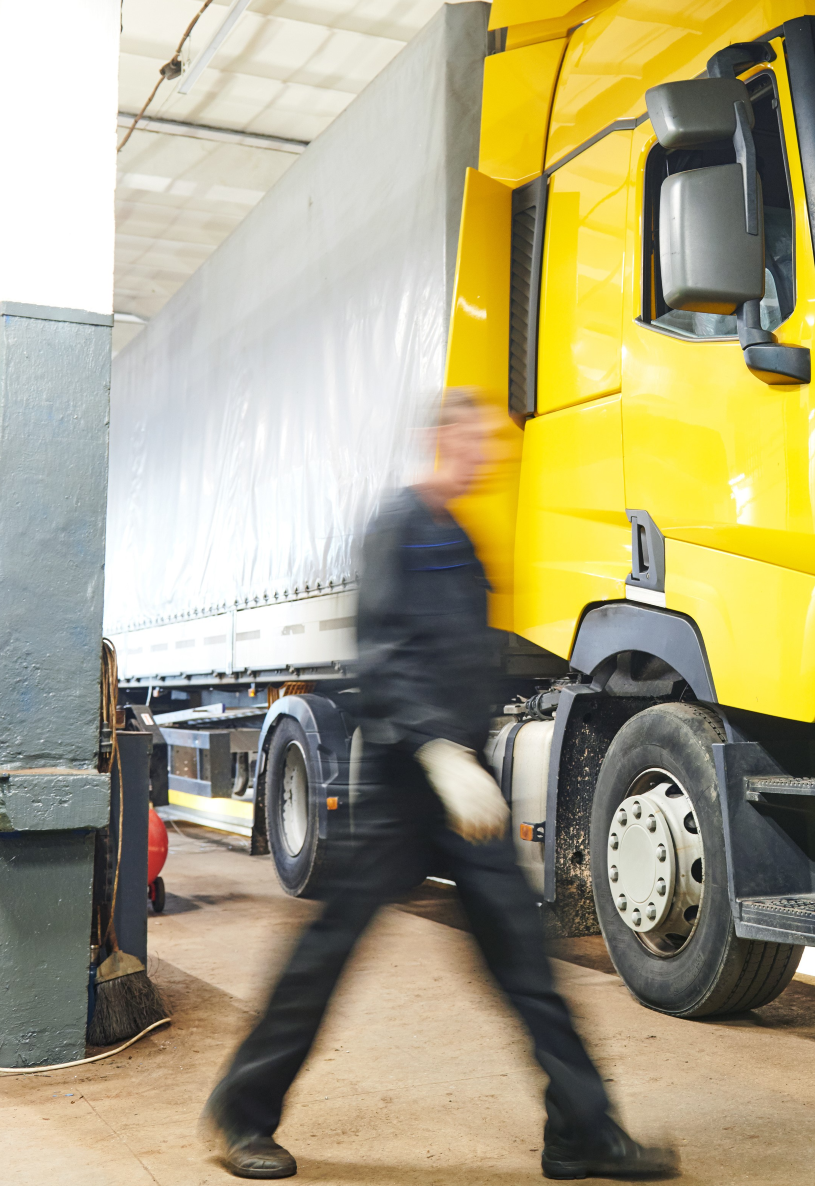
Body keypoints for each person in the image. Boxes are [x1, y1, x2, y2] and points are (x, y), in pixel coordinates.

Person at [202, 389, 678, 1181]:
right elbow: (382, 655)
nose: (485, 453)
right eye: (471, 439)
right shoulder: (399, 526)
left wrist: (472, 753)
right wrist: (435, 752)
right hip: (401, 781)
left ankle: (580, 1132)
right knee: (328, 950)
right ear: (440, 441)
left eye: (489, 442)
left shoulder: (463, 537)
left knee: (525, 959)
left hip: (463, 781)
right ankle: (241, 1114)